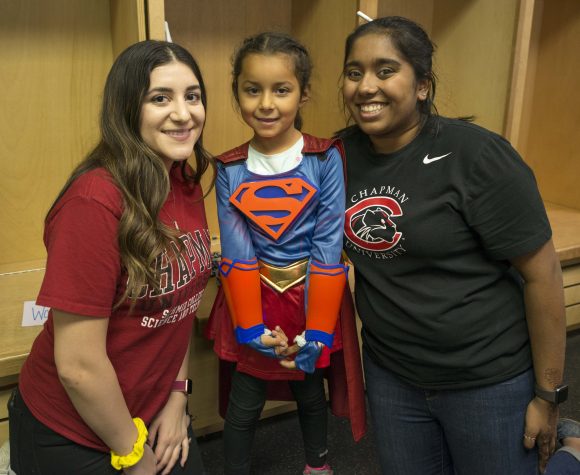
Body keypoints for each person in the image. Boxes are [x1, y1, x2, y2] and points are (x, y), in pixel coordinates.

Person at [338, 16, 567, 475]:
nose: (366, 86)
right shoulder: (336, 157)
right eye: (354, 72)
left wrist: (548, 397)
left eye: (386, 70)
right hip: (391, 375)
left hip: (487, 379)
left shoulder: (477, 156)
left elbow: (542, 277)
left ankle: (570, 450)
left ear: (423, 86)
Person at [8, 40, 215, 475]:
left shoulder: (182, 179)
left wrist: (178, 394)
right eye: (161, 98)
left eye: (192, 96)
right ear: (126, 108)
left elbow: (178, 305)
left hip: (156, 408)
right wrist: (132, 453)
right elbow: (78, 366)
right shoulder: (95, 202)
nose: (183, 113)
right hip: (76, 429)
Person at [205, 32, 366, 475]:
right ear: (236, 91)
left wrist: (317, 329)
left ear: (304, 93)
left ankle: (317, 466)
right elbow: (236, 245)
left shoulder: (326, 156)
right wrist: (250, 323)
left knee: (310, 391)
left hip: (311, 295)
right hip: (253, 297)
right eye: (252, 89)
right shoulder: (229, 167)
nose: (266, 104)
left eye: (282, 89)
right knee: (245, 399)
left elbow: (329, 242)